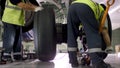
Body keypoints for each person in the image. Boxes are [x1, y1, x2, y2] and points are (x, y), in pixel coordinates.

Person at [67, 0, 112, 68]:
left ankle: (73, 62)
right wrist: (108, 46)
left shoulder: (94, 6)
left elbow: (82, 26)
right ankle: (98, 63)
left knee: (71, 35)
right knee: (93, 34)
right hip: (85, 8)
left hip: (72, 8)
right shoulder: (103, 11)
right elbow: (104, 29)